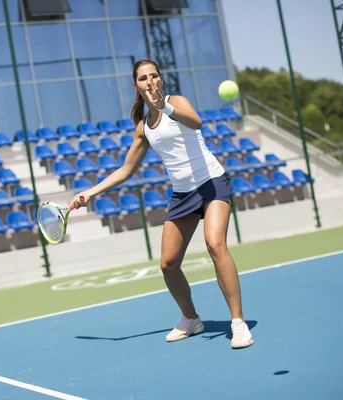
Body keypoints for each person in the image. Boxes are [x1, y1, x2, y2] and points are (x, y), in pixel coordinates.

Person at [72, 59, 253, 349]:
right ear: (136, 85)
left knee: (215, 244)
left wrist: (166, 107)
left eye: (153, 75)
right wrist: (91, 192)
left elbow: (196, 122)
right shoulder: (144, 128)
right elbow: (126, 169)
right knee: (168, 264)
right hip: (182, 195)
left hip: (211, 183)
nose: (149, 81)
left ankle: (238, 323)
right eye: (143, 78)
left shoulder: (176, 102)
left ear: (160, 80)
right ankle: (191, 319)